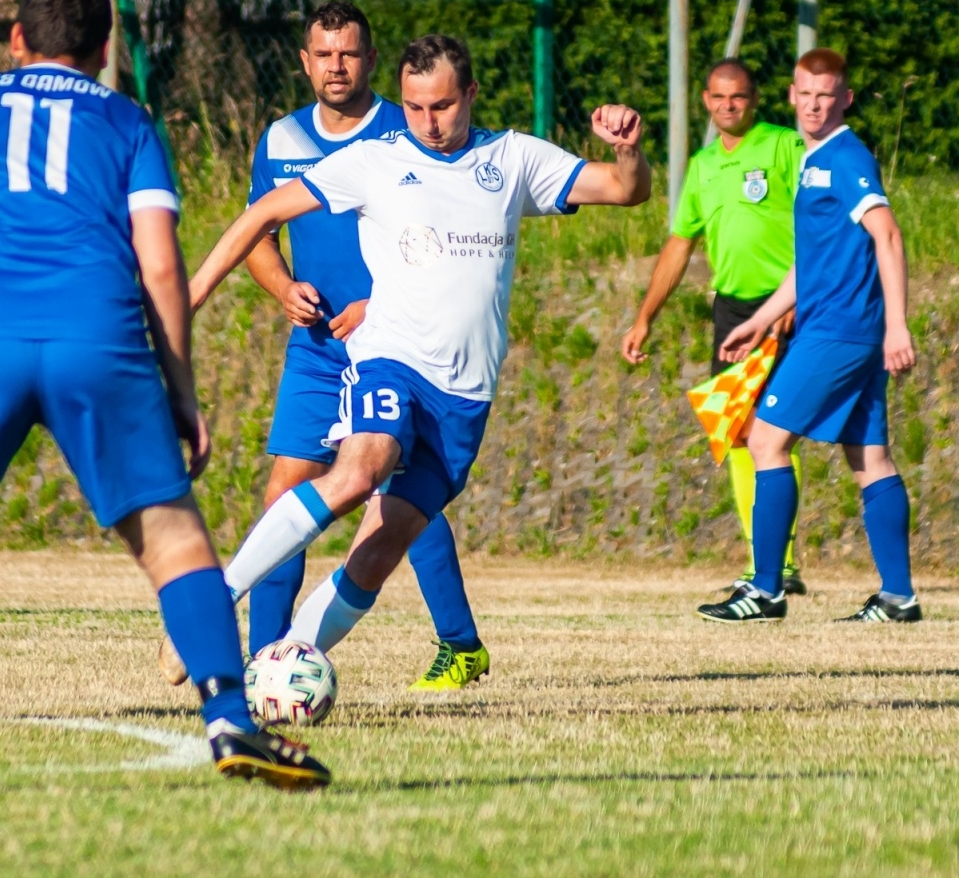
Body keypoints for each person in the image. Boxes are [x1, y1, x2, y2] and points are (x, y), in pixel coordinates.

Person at [0, 0, 330, 794]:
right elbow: (160, 265)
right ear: (103, 51)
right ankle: (231, 719)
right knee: (170, 539)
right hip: (98, 334)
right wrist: (182, 389)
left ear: (15, 40)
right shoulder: (126, 120)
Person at [186, 34, 649, 658]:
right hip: (390, 361)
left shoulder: (513, 159)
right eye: (413, 107)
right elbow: (260, 215)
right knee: (358, 473)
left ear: (472, 95)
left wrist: (628, 152)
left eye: (442, 106)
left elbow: (626, 190)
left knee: (380, 549)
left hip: (465, 397)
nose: (428, 122)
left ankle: (285, 662)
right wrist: (190, 296)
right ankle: (215, 604)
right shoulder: (373, 161)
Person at [161, 0, 489, 693]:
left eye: (349, 54)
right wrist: (282, 287)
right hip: (316, 347)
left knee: (390, 491)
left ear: (371, 61)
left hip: (394, 341)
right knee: (290, 487)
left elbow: (444, 237)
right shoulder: (281, 139)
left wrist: (381, 300)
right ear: (304, 62)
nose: (336, 66)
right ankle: (264, 659)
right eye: (323, 54)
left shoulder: (410, 127)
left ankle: (458, 641)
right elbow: (259, 230)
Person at [700, 48, 920, 624]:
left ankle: (766, 590)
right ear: (793, 96)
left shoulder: (845, 158)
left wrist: (897, 324)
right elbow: (811, 263)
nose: (815, 105)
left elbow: (888, 236)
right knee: (870, 455)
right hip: (842, 328)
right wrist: (760, 319)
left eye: (828, 95)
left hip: (839, 332)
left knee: (766, 441)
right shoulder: (812, 159)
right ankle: (899, 595)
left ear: (844, 99)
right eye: (807, 94)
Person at [620, 59, 808, 597]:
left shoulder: (781, 147)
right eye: (720, 98)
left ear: (755, 99)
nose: (730, 106)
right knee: (735, 432)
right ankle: (766, 562)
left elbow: (817, 215)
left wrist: (801, 292)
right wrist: (644, 317)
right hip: (731, 313)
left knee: (775, 433)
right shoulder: (703, 166)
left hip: (786, 305)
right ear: (706, 100)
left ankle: (780, 563)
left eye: (740, 97)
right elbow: (680, 244)